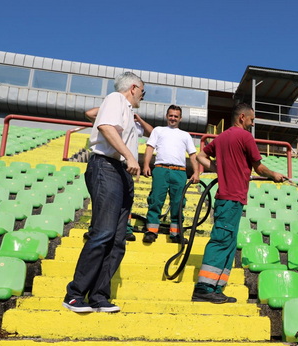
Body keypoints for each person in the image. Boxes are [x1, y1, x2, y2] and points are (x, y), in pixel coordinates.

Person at [63, 71, 144, 313]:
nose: (142, 96)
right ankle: (75, 293)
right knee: (103, 232)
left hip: (121, 172)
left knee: (118, 239)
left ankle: (99, 295)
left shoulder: (127, 110)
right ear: (133, 88)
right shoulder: (116, 99)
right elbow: (106, 126)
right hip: (107, 167)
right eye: (142, 91)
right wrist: (130, 156)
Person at [192, 103, 286, 304]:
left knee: (228, 242)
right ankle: (204, 288)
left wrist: (218, 169)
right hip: (231, 198)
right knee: (221, 240)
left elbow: (200, 156)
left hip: (229, 199)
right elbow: (259, 168)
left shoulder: (221, 138)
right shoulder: (245, 137)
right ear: (242, 117)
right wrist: (275, 175)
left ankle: (215, 288)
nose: (252, 124)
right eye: (251, 120)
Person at [83, 107, 153, 241]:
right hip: (109, 162)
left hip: (126, 166)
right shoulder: (110, 119)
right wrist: (114, 107)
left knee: (124, 202)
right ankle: (94, 229)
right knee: (103, 201)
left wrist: (138, 119)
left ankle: (125, 229)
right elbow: (89, 113)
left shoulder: (133, 125)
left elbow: (153, 132)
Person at [142, 105, 199, 244]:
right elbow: (149, 148)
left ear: (180, 118)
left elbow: (192, 155)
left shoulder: (185, 135)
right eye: (171, 115)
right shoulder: (158, 130)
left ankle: (176, 234)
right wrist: (145, 165)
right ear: (167, 116)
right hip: (161, 169)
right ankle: (151, 231)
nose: (173, 118)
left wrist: (196, 172)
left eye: (176, 116)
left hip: (179, 172)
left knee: (178, 203)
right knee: (156, 200)